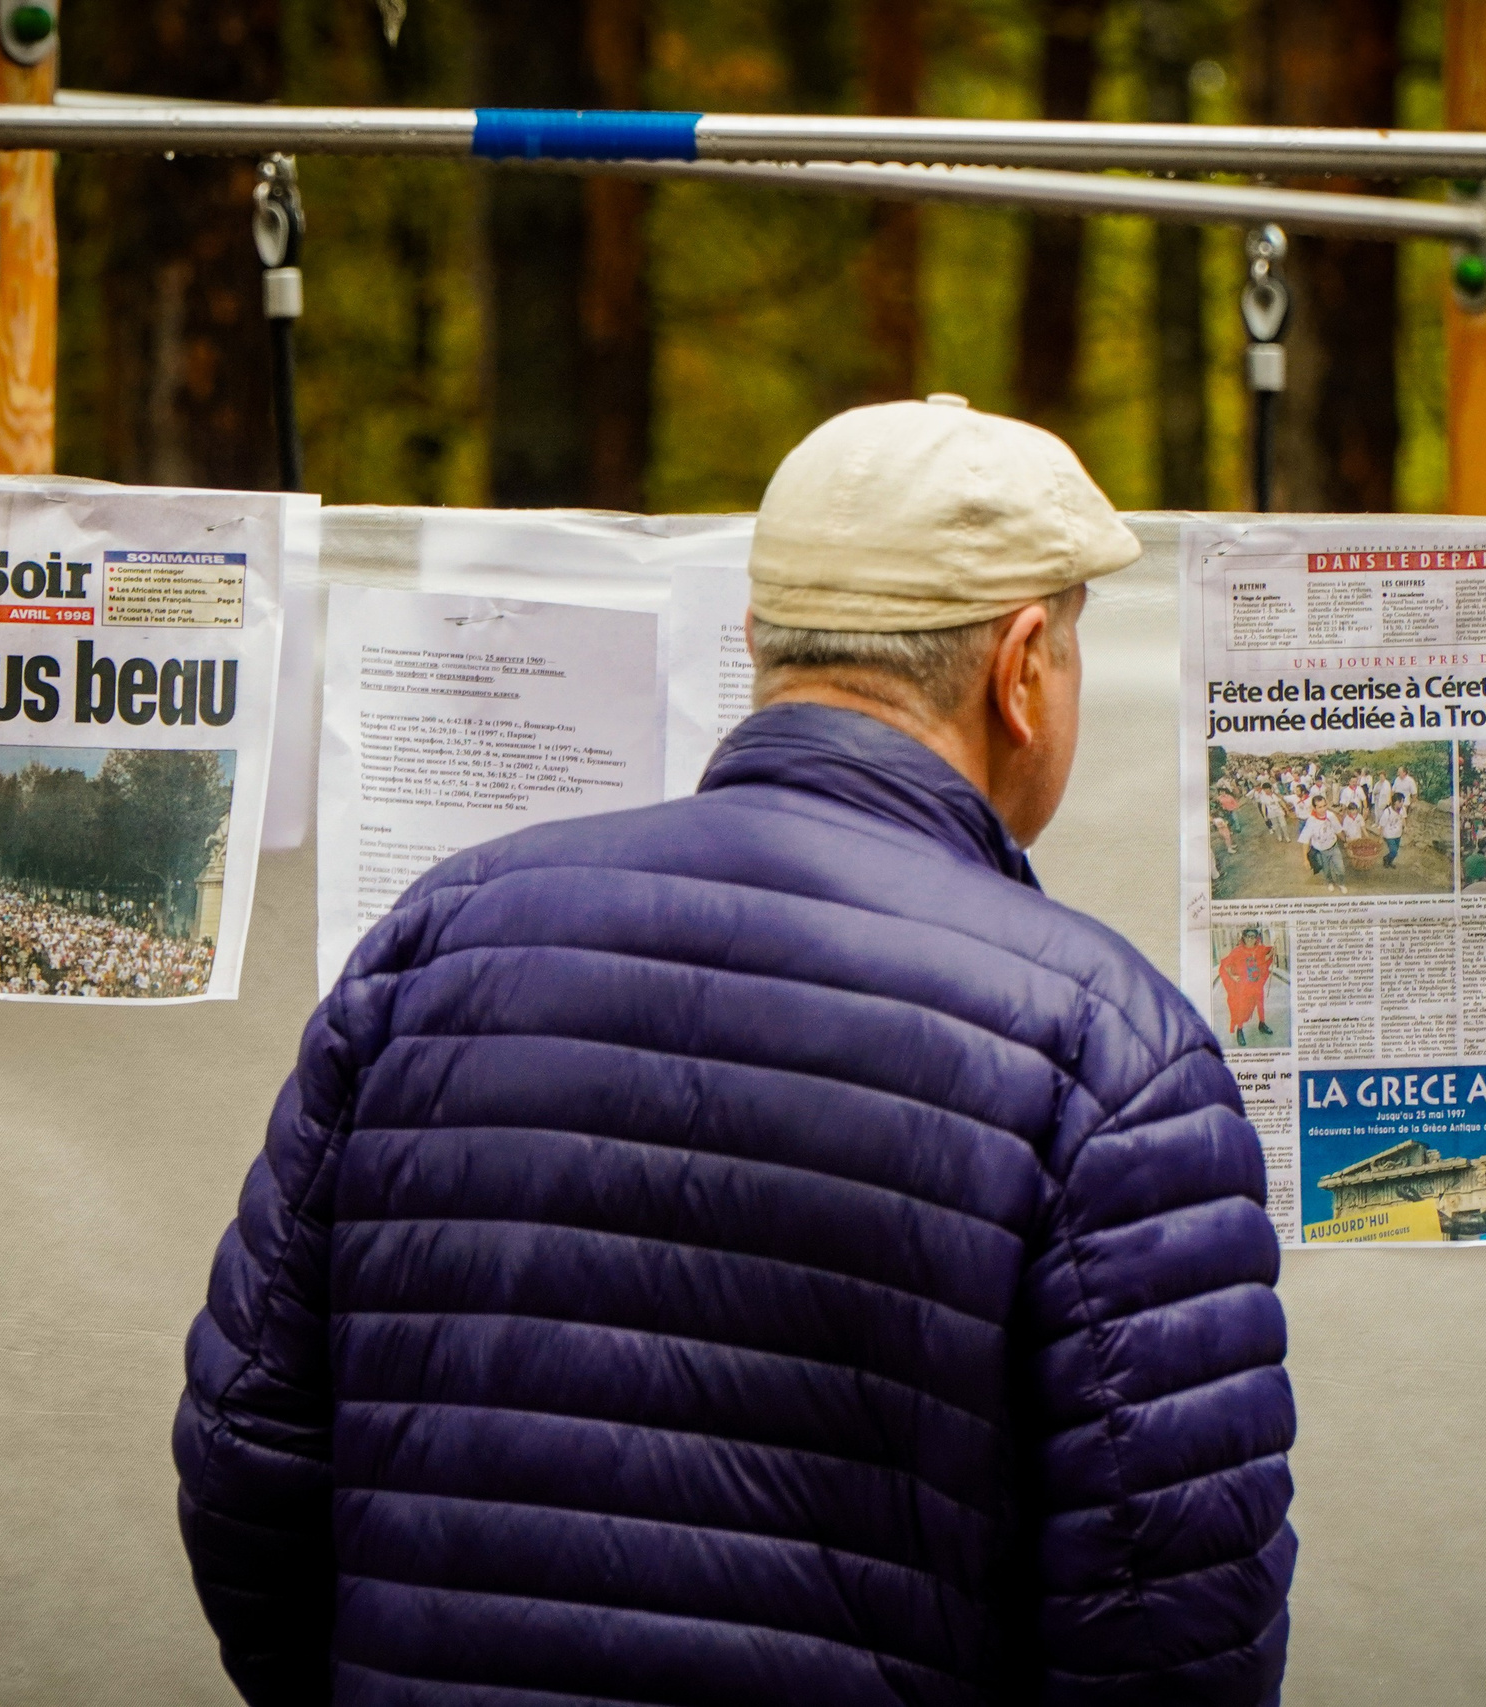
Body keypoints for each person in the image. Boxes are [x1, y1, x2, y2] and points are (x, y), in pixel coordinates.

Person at [175, 397, 1295, 1706]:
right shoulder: (1111, 1059)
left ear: (759, 640)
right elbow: (1176, 1626)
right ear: (1023, 668)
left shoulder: (434, 943)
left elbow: (247, 1452)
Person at [1219, 924, 1278, 1045]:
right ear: (1244, 937)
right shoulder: (1237, 951)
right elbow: (1226, 964)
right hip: (1243, 987)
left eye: (1253, 936)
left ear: (1257, 938)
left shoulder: (1259, 949)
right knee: (1241, 1007)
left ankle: (1262, 1024)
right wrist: (1232, 976)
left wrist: (1272, 952)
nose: (1250, 939)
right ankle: (1239, 1030)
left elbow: (1265, 958)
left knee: (1260, 1005)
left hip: (1257, 985)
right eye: (1248, 936)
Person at [1378, 793, 1407, 868]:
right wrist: (1380, 838)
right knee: (1394, 852)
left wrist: (1405, 826)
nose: (1402, 803)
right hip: (1389, 835)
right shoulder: (1387, 812)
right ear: (1396, 802)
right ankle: (1386, 859)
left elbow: (1403, 818)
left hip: (1398, 834)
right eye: (1401, 801)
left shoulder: (1402, 809)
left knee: (1395, 851)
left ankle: (1389, 862)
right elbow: (1382, 825)